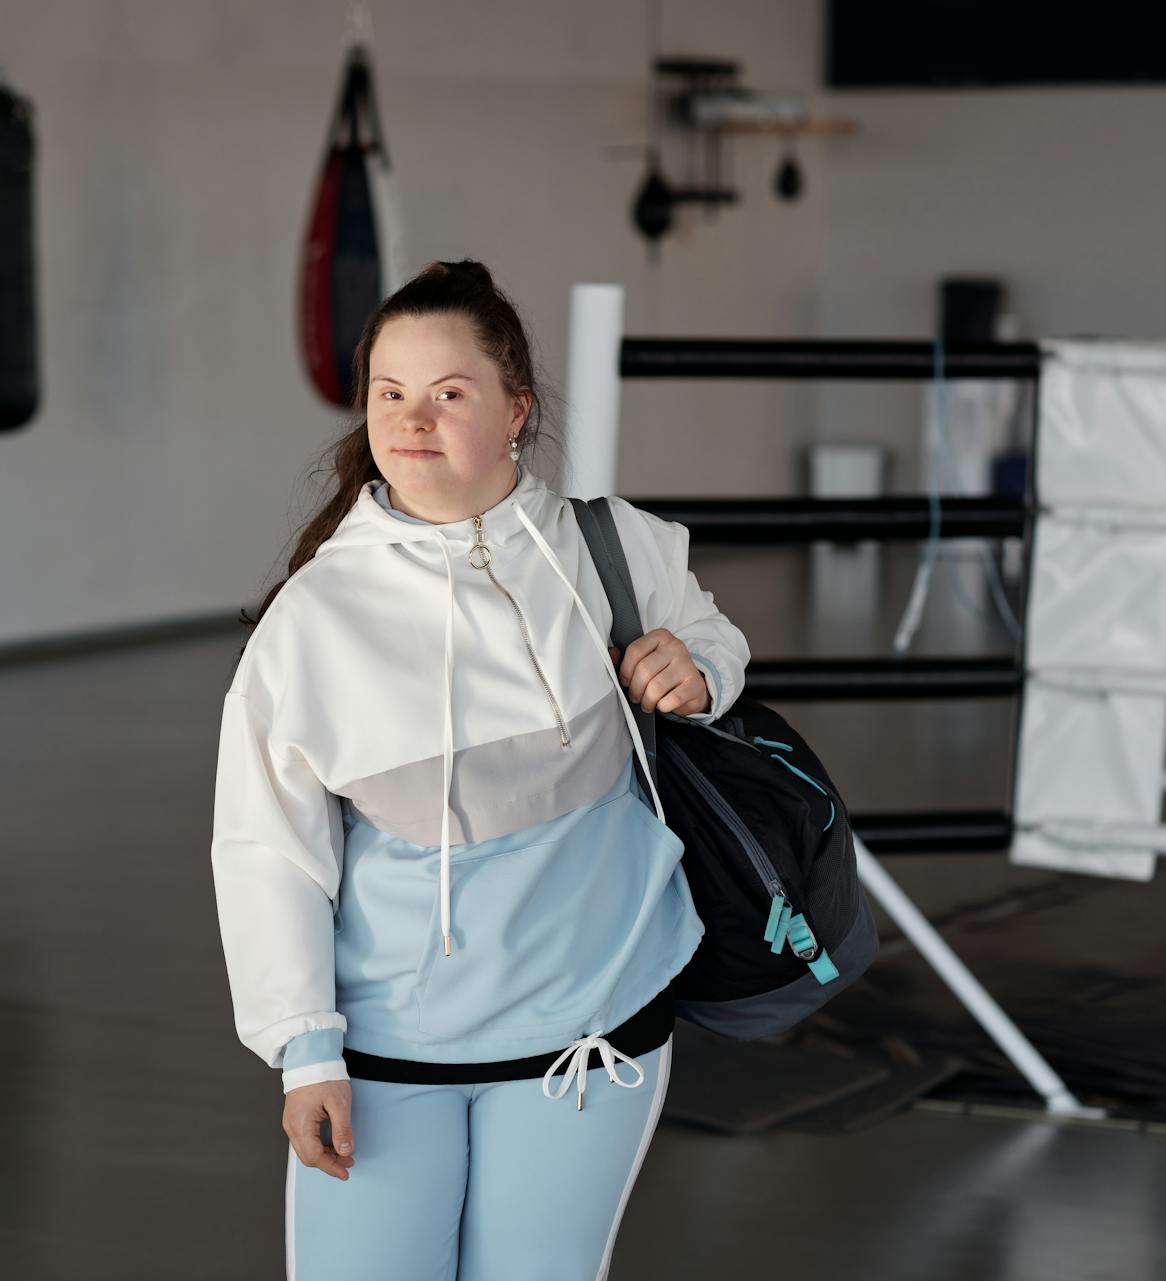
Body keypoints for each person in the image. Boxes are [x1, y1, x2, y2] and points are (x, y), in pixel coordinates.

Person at [211, 259, 750, 1280]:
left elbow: (712, 636)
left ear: (515, 411)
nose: (413, 420)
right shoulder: (315, 618)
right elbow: (266, 852)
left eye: (449, 394)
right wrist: (305, 1049)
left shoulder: (611, 546)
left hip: (591, 1039)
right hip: (386, 1054)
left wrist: (701, 668)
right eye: (390, 393)